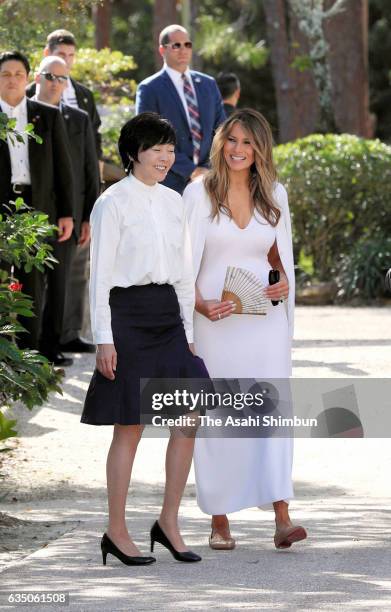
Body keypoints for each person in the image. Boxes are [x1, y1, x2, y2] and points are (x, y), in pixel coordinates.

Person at [81, 112, 209, 566]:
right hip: (127, 317)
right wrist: (103, 338)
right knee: (130, 425)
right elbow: (98, 278)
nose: (165, 156)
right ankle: (116, 530)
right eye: (155, 148)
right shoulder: (111, 203)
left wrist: (189, 334)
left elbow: (183, 272)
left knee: (189, 415)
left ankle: (168, 521)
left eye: (170, 149)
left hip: (168, 318)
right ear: (133, 153)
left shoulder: (175, 201)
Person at [183, 109, 307, 551]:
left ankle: (282, 517)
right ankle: (220, 520)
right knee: (219, 417)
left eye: (247, 143)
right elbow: (184, 264)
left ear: (259, 149)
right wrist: (199, 304)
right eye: (231, 140)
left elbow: (278, 256)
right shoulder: (198, 194)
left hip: (264, 322)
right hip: (214, 323)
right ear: (221, 143)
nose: (237, 149)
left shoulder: (275, 193)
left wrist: (282, 280)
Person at [26, 29, 103, 353]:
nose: (58, 81)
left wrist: (87, 215)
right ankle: (28, 344)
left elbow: (89, 163)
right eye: (51, 75)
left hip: (70, 207)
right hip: (30, 207)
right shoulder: (21, 104)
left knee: (64, 280)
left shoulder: (80, 109)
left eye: (66, 70)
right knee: (32, 280)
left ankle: (57, 341)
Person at [0, 50, 74, 365]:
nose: (13, 80)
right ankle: (4, 359)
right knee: (2, 284)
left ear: (29, 78)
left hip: (36, 208)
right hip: (2, 208)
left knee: (32, 284)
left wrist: (68, 212)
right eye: (6, 74)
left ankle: (28, 359)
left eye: (19, 74)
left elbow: (63, 168)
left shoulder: (46, 115)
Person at [135, 24, 226, 194]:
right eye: (176, 45)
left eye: (187, 45)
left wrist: (209, 169)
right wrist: (191, 170)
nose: (183, 50)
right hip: (168, 183)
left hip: (210, 181)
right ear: (162, 50)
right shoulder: (149, 89)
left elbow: (222, 130)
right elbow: (149, 137)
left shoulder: (208, 84)